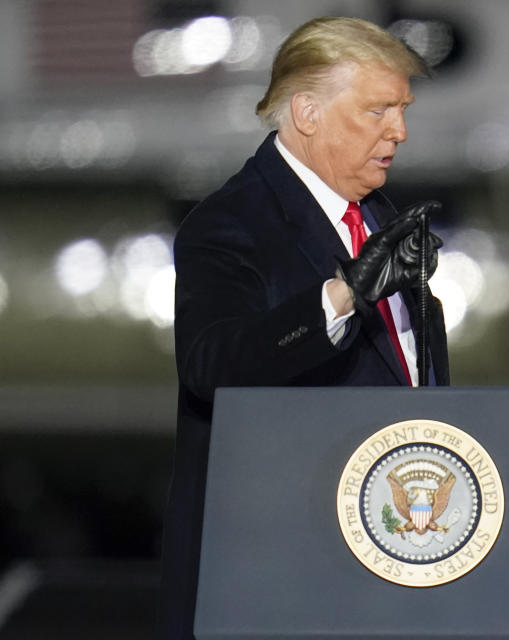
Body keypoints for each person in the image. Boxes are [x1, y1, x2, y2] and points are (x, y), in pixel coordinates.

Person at [158, 17, 448, 639]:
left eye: (402, 109)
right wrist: (342, 296)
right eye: (377, 110)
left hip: (394, 569)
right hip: (280, 577)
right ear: (307, 112)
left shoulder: (382, 219)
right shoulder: (230, 223)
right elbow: (212, 365)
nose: (399, 131)